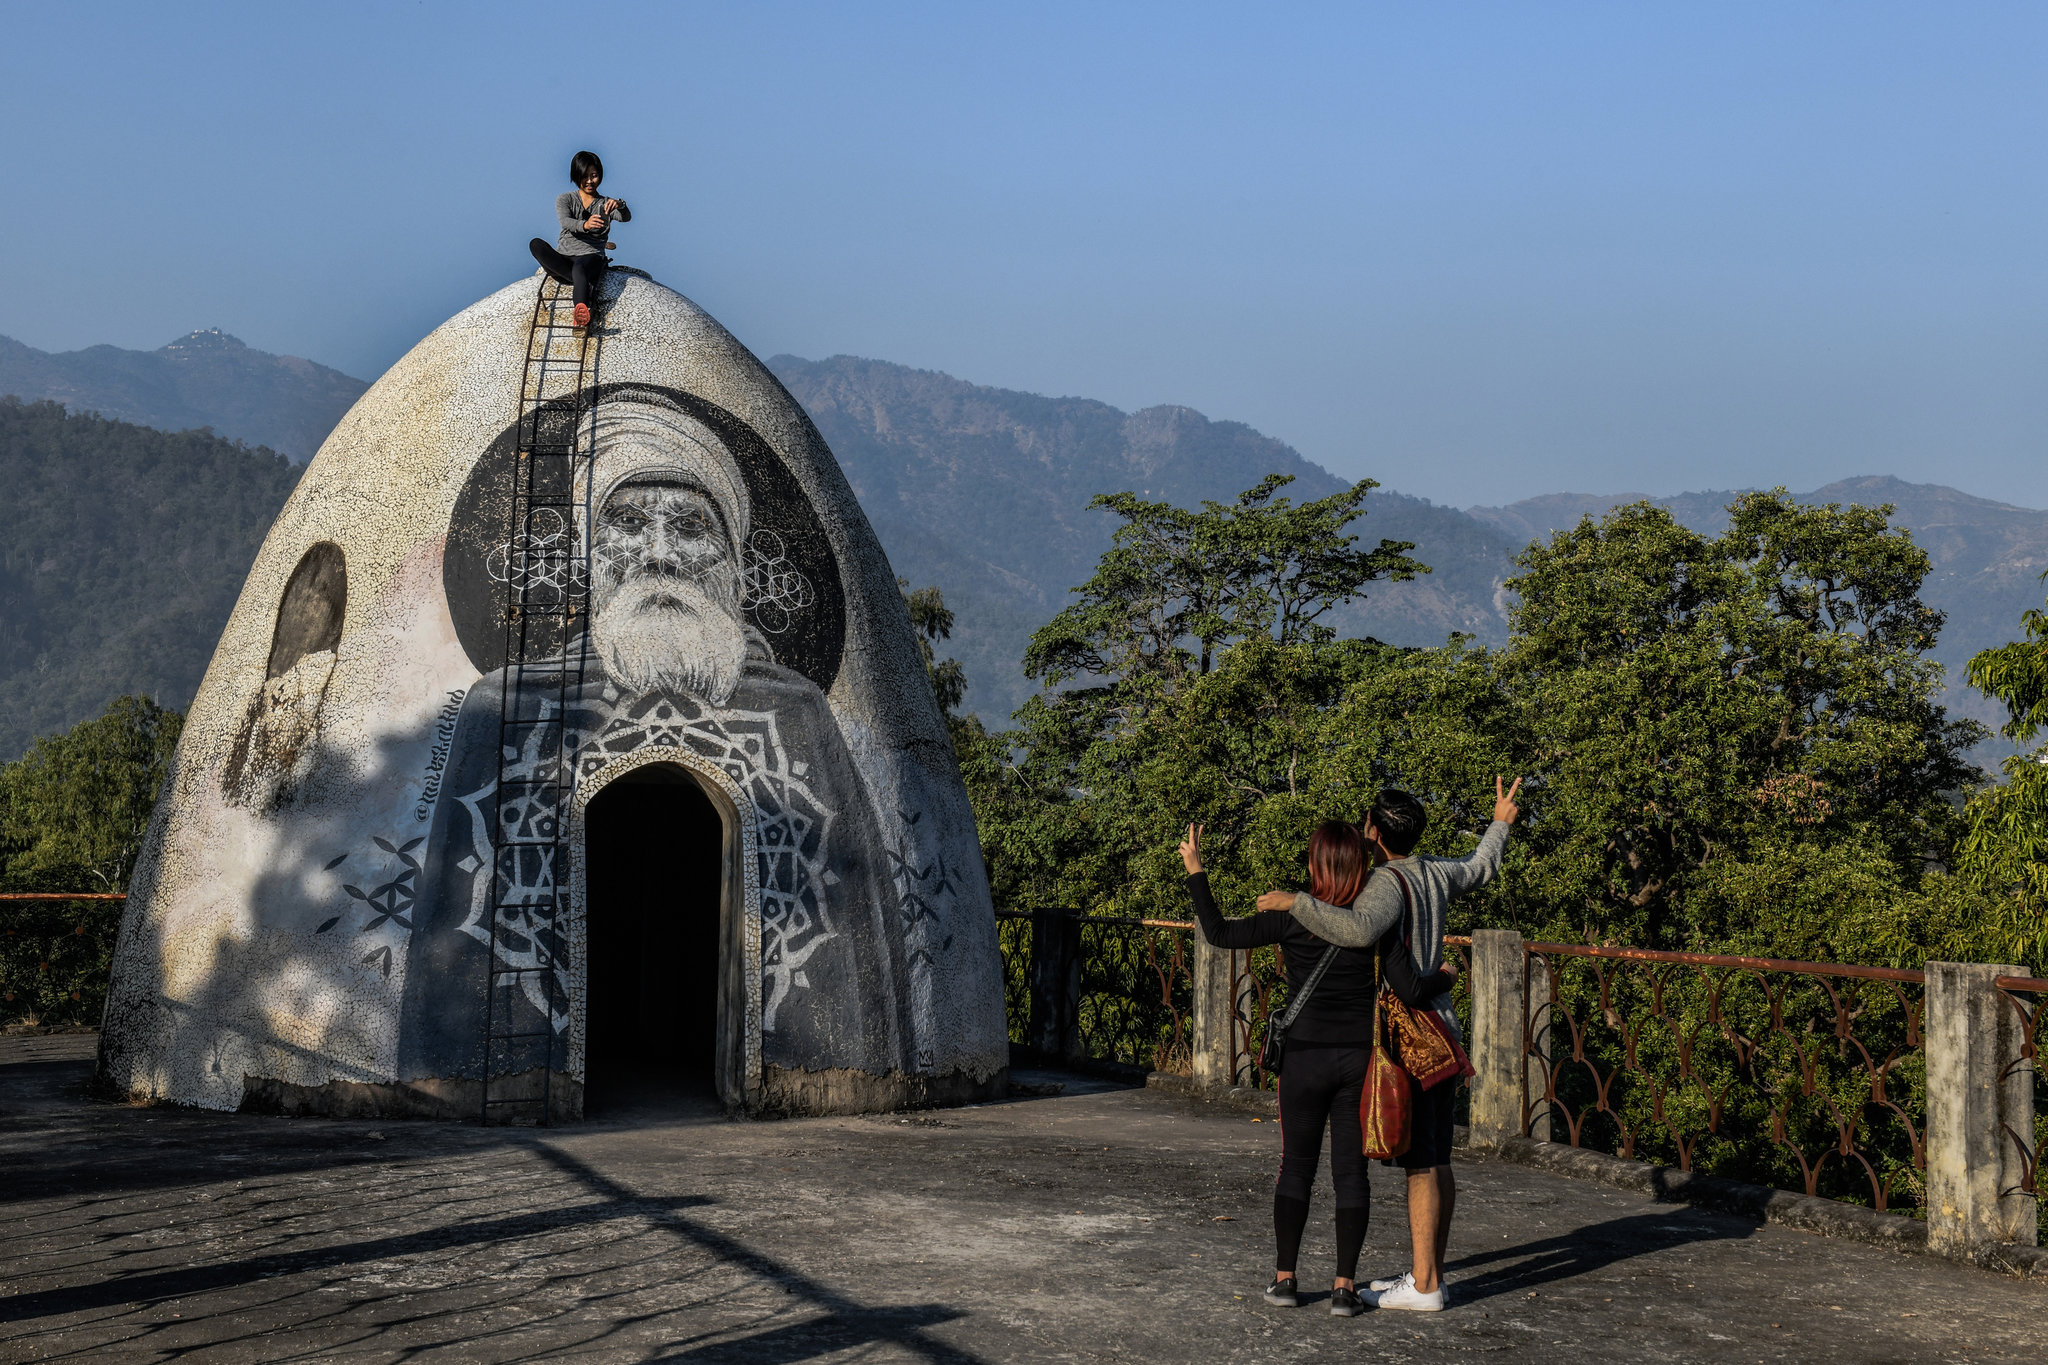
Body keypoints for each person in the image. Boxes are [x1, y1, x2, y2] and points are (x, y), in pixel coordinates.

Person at [1254, 778, 1523, 1312]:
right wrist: (1501, 822)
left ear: (1373, 832)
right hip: (1443, 1032)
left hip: (1410, 1034)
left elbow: (1354, 930)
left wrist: (1296, 902)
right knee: (1437, 1155)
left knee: (1421, 1160)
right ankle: (1430, 1275)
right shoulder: (1436, 872)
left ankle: (1424, 1287)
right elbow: (1480, 866)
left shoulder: (1385, 883)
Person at [1181, 820, 1455, 1318]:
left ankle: (1285, 1280)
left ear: (1313, 865)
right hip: (1359, 1062)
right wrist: (1444, 976)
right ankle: (1344, 1289)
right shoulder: (1374, 926)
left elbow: (1218, 933)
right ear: (1360, 869)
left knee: (1296, 1167)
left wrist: (1197, 870)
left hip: (1303, 1059)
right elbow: (1413, 991)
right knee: (1351, 1175)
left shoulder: (1293, 917)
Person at [528, 149, 631, 327]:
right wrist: (585, 225)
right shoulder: (565, 199)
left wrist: (620, 205)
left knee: (580, 267)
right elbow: (565, 222)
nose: (590, 181)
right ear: (576, 176)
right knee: (535, 244)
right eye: (585, 176)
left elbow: (625, 217)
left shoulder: (605, 203)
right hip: (564, 257)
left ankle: (581, 311)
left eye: (594, 175)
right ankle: (583, 285)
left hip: (589, 257)